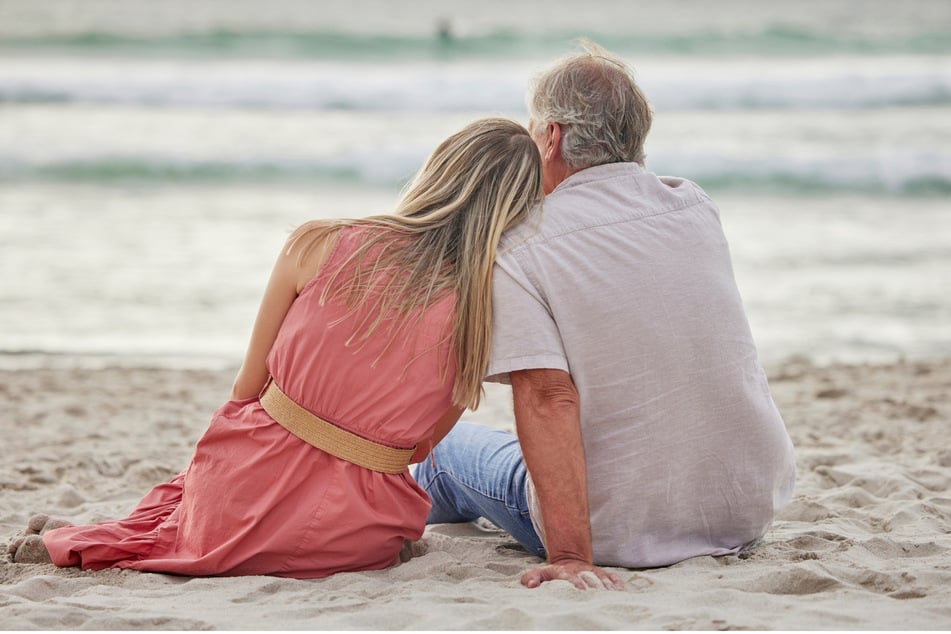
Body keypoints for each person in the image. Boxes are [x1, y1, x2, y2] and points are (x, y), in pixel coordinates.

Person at [7, 117, 544, 578]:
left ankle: (104, 536)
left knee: (205, 491)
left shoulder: (318, 242)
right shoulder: (486, 312)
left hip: (237, 499)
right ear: (515, 213)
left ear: (438, 169)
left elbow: (246, 390)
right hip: (359, 532)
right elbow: (420, 449)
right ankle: (109, 534)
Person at [412, 41, 797, 590]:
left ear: (552, 136)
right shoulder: (693, 206)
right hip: (745, 507)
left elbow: (548, 395)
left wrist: (571, 556)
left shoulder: (522, 246)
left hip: (619, 529)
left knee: (446, 455)